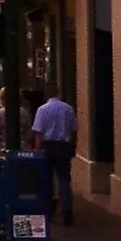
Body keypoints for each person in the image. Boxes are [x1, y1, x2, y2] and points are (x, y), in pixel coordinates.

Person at [29, 85, 78, 225]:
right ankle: (67, 210)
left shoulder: (42, 110)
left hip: (48, 145)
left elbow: (38, 132)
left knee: (47, 179)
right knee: (64, 180)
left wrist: (37, 151)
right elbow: (73, 131)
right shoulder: (68, 109)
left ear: (47, 95)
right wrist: (73, 146)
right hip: (63, 146)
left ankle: (49, 208)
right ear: (58, 93)